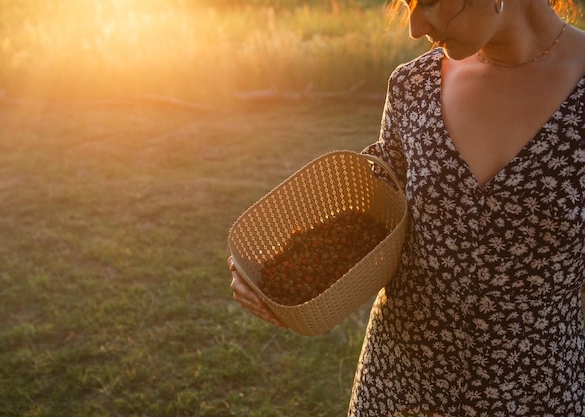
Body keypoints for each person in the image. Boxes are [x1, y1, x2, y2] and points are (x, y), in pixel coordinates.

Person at [229, 0, 585, 415]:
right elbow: (375, 215)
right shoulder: (413, 86)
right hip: (399, 387)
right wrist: (278, 280)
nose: (414, 27)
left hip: (535, 392)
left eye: (428, 2)